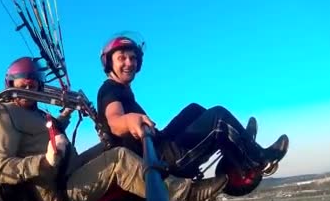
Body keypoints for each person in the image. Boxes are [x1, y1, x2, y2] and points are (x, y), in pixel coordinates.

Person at [0, 57, 225, 201]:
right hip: (58, 193)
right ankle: (186, 193)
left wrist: (65, 116)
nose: (29, 84)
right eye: (23, 80)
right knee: (118, 158)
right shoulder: (3, 116)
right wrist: (43, 162)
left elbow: (44, 132)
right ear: (11, 83)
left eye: (33, 80)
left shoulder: (33, 112)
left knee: (115, 144)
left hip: (70, 169)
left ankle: (155, 169)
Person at [96, 33, 289, 184]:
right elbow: (114, 120)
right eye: (122, 58)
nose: (129, 63)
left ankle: (239, 144)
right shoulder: (110, 90)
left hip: (159, 146)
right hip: (165, 160)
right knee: (218, 116)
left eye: (132, 58)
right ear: (109, 63)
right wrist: (129, 121)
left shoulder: (121, 90)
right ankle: (260, 159)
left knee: (194, 109)